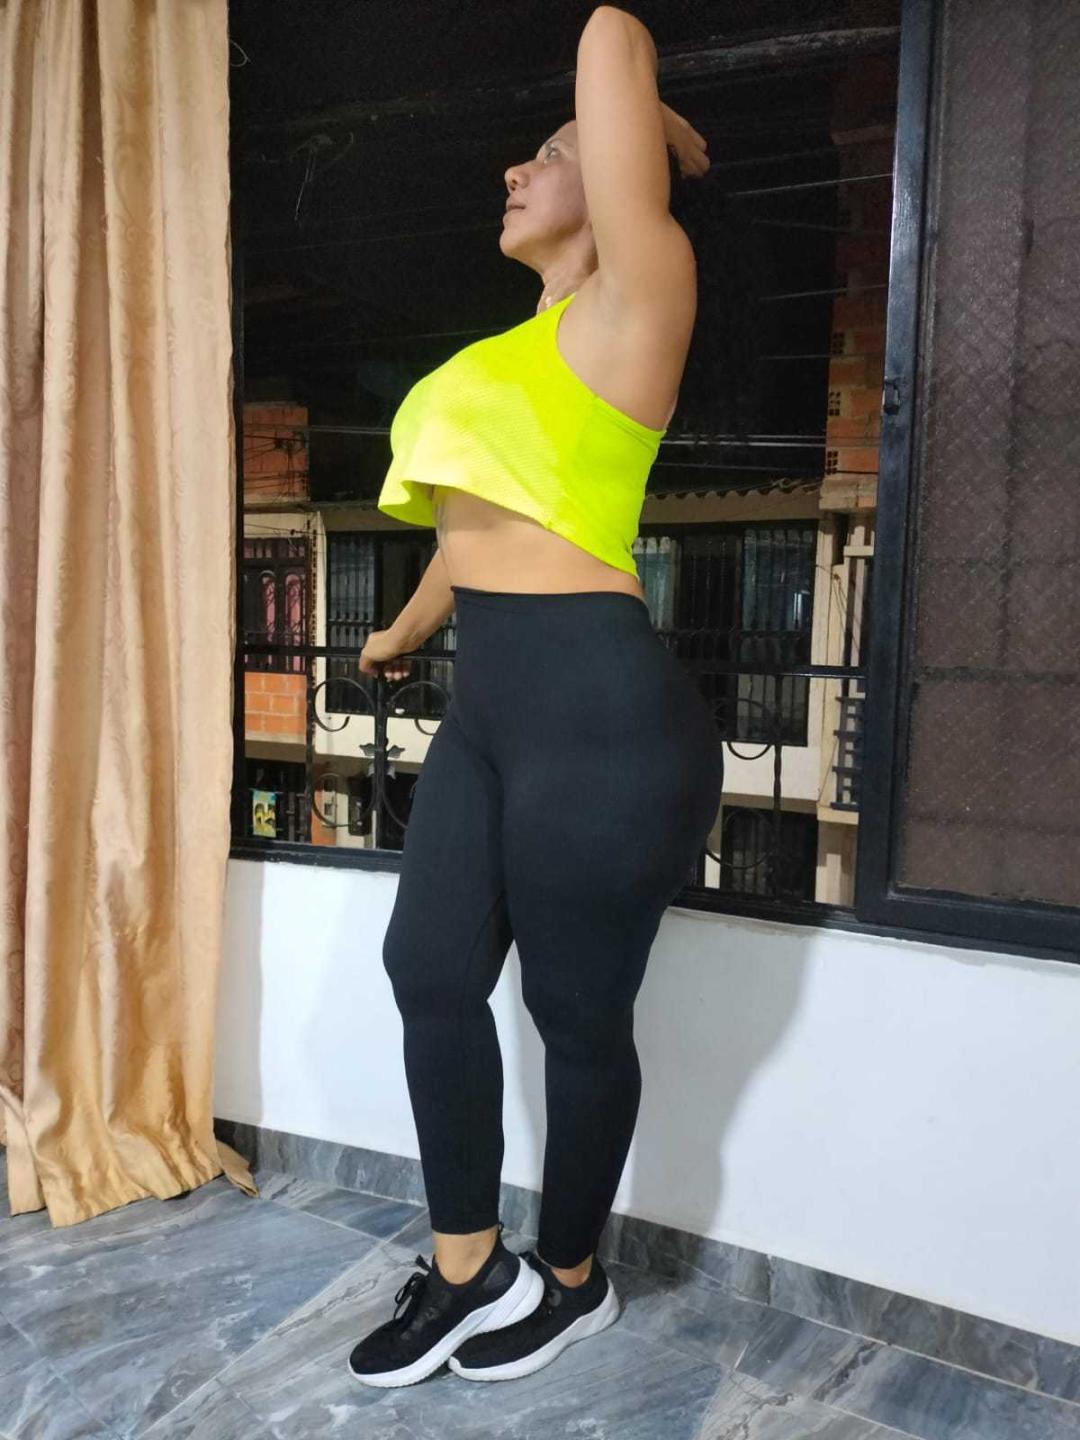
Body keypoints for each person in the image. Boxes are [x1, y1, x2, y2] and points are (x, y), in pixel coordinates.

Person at [347, 5, 721, 1389]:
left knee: (576, 1018)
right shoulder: (498, 359)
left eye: (552, 153)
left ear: (621, 179)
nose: (514, 172)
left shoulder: (641, 300)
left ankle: (571, 1279)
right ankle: (467, 1271)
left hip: (602, 722)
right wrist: (396, 634)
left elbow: (611, 32)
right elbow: (474, 526)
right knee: (429, 972)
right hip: (489, 713)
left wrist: (638, 119)